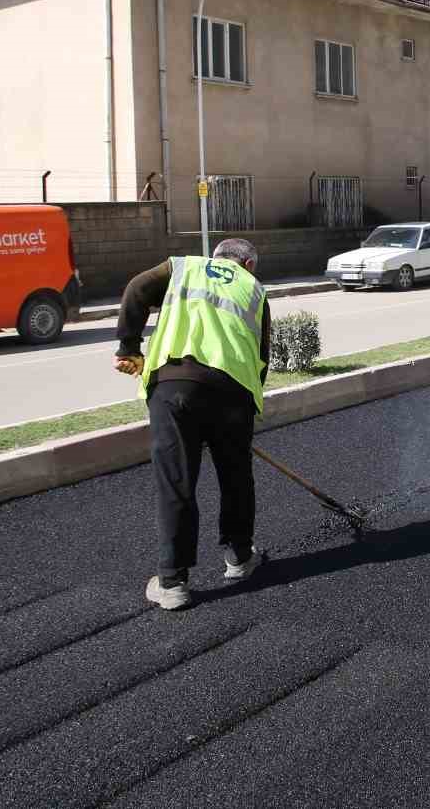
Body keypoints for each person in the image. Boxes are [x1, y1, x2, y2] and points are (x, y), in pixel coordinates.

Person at [115, 238, 271, 611]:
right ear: (248, 264)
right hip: (234, 392)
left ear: (215, 257)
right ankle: (239, 557)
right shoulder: (255, 289)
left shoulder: (182, 267)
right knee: (235, 476)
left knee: (177, 481)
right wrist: (243, 410)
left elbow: (137, 288)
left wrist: (129, 348)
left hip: (175, 387)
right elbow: (262, 355)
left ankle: (172, 583)